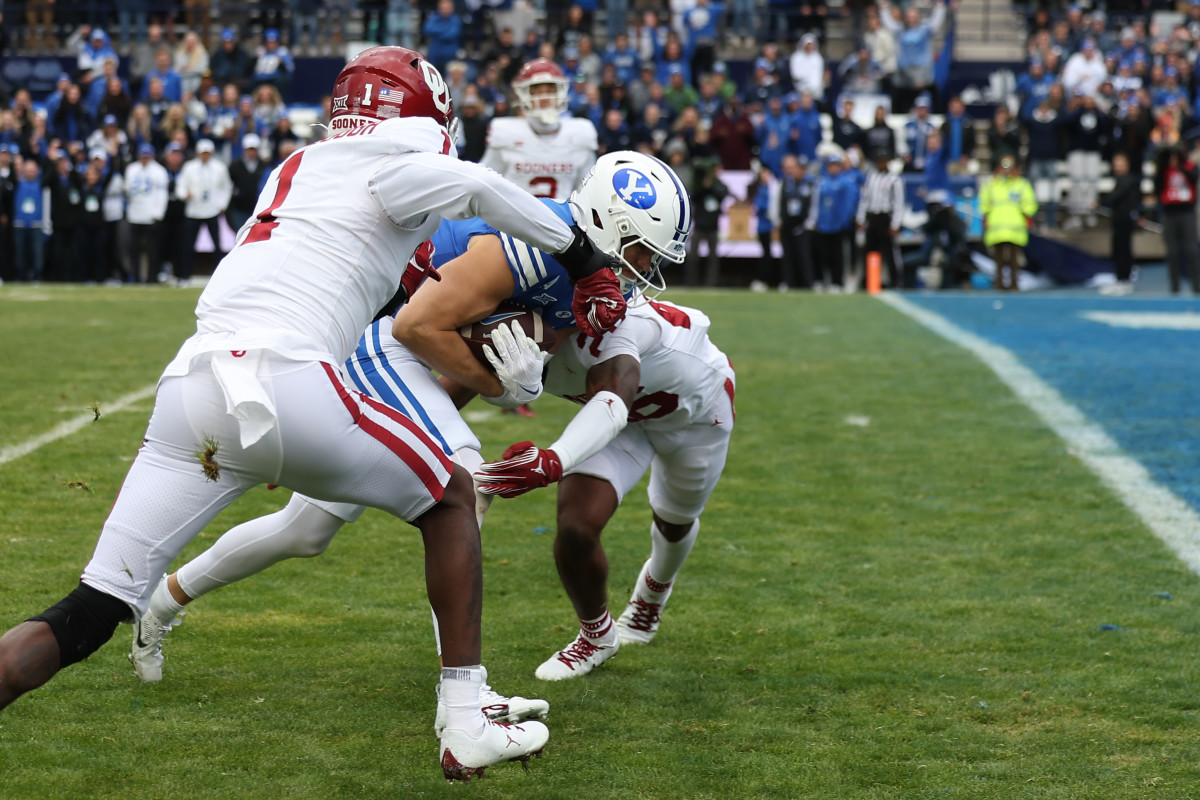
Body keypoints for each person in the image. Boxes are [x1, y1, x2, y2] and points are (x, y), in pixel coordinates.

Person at [0, 46, 628, 783]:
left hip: (192, 387)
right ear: (421, 115)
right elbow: (478, 186)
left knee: (90, 609)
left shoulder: (297, 164)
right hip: (288, 377)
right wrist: (586, 258)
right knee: (454, 496)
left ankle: (141, 613)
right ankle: (464, 721)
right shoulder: (394, 163)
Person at [475, 303, 733, 681]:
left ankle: (652, 593)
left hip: (694, 417)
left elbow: (613, 398)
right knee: (576, 526)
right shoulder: (511, 326)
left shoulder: (621, 325)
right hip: (620, 419)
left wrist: (553, 460)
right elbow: (451, 387)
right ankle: (597, 635)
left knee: (674, 521)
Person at [480, 59, 598, 202]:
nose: (544, 97)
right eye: (536, 91)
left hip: (563, 222)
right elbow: (484, 185)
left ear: (561, 92)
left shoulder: (581, 133)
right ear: (523, 94)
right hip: (514, 221)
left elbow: (589, 194)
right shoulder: (505, 132)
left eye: (550, 91)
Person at [175, 138, 232, 284]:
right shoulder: (189, 167)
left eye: (207, 153)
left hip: (212, 211)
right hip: (194, 211)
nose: (205, 156)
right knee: (188, 245)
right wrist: (184, 195)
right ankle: (184, 276)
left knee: (217, 246)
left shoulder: (219, 167)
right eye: (202, 153)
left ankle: (220, 277)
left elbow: (227, 187)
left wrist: (222, 204)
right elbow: (180, 186)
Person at [980, 154, 1037, 292]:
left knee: (1014, 259)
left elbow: (1030, 203)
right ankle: (999, 284)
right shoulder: (992, 184)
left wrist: (1027, 215)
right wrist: (986, 218)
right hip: (997, 228)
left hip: (1014, 228)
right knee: (998, 259)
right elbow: (984, 203)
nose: (1006, 171)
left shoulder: (1021, 184)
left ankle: (1014, 284)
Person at [1153, 144, 1200, 295]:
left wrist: (1180, 165)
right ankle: (1175, 287)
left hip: (1187, 212)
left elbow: (1194, 176)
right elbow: (1157, 186)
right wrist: (1162, 163)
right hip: (1169, 213)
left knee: (1191, 250)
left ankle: (1197, 285)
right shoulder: (1164, 169)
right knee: (1172, 252)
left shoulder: (1188, 166)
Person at [856, 150, 906, 289]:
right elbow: (865, 199)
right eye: (879, 160)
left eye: (883, 160)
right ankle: (869, 280)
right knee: (869, 251)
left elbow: (898, 204)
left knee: (890, 251)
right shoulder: (871, 177)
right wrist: (861, 218)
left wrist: (895, 224)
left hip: (886, 217)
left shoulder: (895, 180)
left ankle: (896, 280)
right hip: (873, 216)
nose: (881, 163)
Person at [125, 141, 170, 283]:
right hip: (135, 215)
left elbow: (162, 194)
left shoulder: (159, 171)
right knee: (134, 250)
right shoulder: (131, 169)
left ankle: (152, 278)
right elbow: (128, 191)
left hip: (151, 215)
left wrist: (158, 214)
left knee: (152, 250)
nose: (145, 159)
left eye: (147, 156)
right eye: (142, 156)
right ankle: (136, 277)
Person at [1100, 152, 1141, 296]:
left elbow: (1115, 196)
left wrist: (1100, 202)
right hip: (1118, 220)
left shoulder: (1128, 180)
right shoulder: (1119, 180)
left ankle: (1125, 279)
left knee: (1124, 250)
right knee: (1118, 249)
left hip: (1125, 220)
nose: (1117, 167)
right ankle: (1120, 278)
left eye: (1120, 163)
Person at [777, 154, 814, 291]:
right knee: (787, 255)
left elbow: (813, 204)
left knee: (804, 255)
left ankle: (807, 283)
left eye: (803, 169)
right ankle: (788, 281)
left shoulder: (809, 184)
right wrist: (779, 220)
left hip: (803, 225)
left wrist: (809, 223)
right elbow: (779, 202)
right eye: (799, 168)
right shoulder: (787, 184)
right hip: (787, 223)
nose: (800, 171)